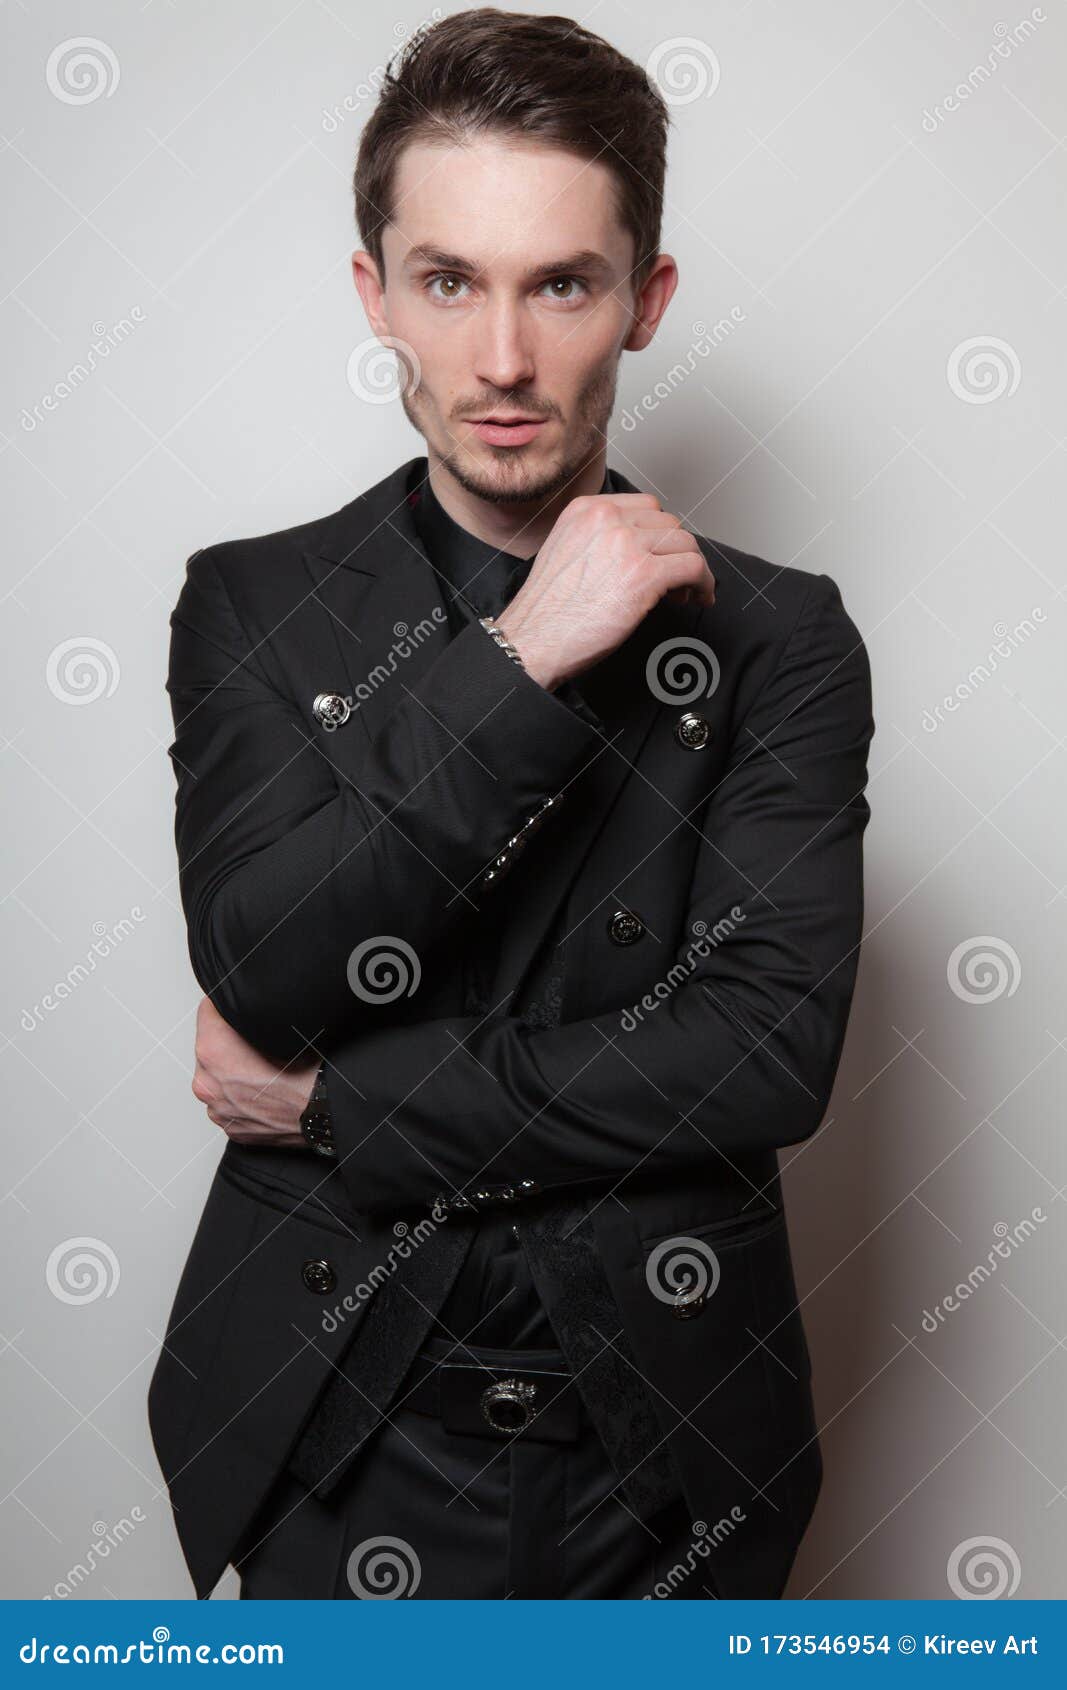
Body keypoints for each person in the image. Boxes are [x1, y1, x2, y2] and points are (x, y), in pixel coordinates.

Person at [148, 7, 874, 1600]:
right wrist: (527, 651)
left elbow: (760, 1055)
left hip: (669, 1452)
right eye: (448, 279)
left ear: (643, 301)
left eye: (561, 282)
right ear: (376, 296)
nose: (501, 358)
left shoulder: (779, 636)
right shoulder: (254, 607)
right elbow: (266, 963)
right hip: (327, 1429)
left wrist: (345, 1107)